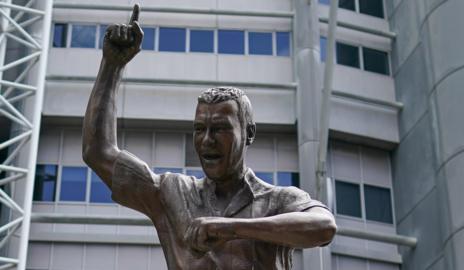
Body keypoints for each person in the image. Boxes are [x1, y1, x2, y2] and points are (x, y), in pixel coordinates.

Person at [82, 4, 336, 269]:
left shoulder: (277, 201)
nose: (206, 140)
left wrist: (233, 228)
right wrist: (111, 66)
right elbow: (97, 152)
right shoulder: (173, 193)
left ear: (248, 133)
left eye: (219, 129)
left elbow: (324, 226)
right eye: (199, 129)